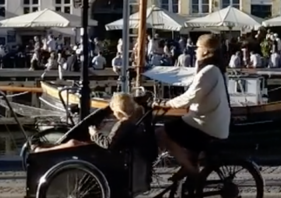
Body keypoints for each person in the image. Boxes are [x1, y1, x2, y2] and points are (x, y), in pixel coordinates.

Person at [156, 34, 230, 177]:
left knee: (162, 133)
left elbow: (191, 96)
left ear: (206, 51)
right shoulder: (217, 69)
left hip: (205, 123)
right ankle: (189, 173)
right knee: (188, 143)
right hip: (214, 121)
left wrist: (166, 103)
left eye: (197, 48)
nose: (195, 51)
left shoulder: (208, 71)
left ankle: (189, 168)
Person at [34, 92, 143, 153]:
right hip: (116, 154)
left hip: (108, 156)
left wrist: (94, 134)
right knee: (75, 143)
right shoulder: (131, 122)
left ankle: (42, 151)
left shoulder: (122, 124)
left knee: (73, 143)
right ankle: (45, 150)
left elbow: (109, 144)